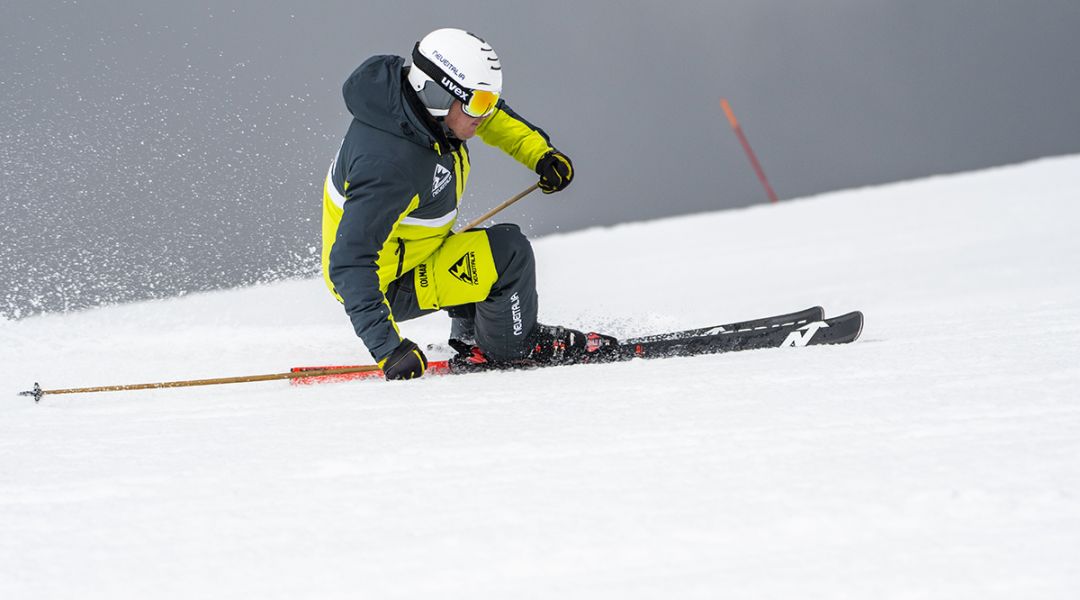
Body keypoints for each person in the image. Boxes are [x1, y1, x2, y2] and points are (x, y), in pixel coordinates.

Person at [321, 28, 613, 380]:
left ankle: (472, 337)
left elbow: (493, 118)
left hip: (409, 253)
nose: (485, 114)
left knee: (485, 247)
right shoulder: (389, 167)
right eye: (478, 103)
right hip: (383, 284)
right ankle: (514, 346)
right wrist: (389, 349)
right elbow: (349, 263)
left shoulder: (416, 114)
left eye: (489, 101)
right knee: (508, 255)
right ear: (438, 94)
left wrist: (540, 155)